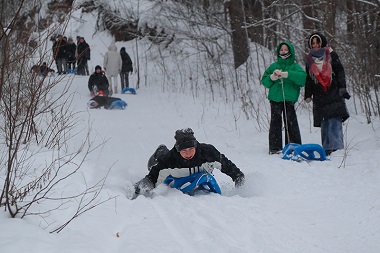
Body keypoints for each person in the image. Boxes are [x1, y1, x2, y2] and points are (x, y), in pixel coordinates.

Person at [134, 128, 245, 197]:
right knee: (155, 163)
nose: (188, 153)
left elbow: (228, 166)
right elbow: (152, 177)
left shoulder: (208, 152)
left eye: (191, 149)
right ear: (178, 151)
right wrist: (141, 188)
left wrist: (239, 178)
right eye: (184, 151)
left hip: (198, 175)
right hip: (169, 169)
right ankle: (161, 150)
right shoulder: (169, 160)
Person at [304, 32, 350, 155]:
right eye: (312, 43)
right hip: (319, 93)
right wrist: (307, 94)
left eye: (317, 42)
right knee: (324, 122)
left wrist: (342, 87)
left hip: (333, 90)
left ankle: (337, 150)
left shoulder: (331, 54)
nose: (315, 45)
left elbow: (339, 70)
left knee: (334, 120)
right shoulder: (309, 59)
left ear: (322, 42)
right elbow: (308, 78)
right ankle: (326, 149)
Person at [261, 42, 307, 154]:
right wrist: (272, 77)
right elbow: (265, 81)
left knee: (290, 121)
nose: (283, 52)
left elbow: (303, 79)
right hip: (275, 98)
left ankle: (293, 146)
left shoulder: (295, 66)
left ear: (290, 51)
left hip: (289, 98)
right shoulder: (274, 66)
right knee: (275, 122)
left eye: (286, 50)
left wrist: (288, 74)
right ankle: (274, 147)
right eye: (281, 50)